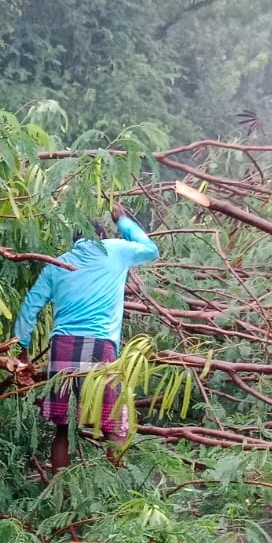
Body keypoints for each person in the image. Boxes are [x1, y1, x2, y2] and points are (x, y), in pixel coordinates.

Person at [13, 202, 159, 471]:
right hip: (100, 348)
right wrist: (124, 222)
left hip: (63, 348)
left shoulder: (58, 264)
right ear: (101, 236)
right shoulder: (115, 250)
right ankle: (113, 489)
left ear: (75, 241)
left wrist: (21, 352)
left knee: (63, 429)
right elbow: (151, 250)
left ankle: (60, 492)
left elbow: (29, 307)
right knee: (115, 424)